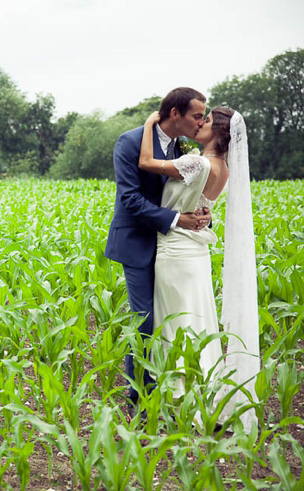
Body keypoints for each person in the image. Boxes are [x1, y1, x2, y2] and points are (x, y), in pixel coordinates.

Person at [139, 107, 259, 432]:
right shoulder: (223, 168)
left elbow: (146, 164)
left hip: (176, 252)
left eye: (205, 121)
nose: (199, 123)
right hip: (196, 254)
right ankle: (205, 399)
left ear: (219, 133)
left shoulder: (197, 163)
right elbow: (199, 204)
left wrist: (151, 122)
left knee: (174, 326)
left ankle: (182, 406)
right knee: (199, 324)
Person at [104, 87, 212, 419]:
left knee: (170, 320)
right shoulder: (130, 141)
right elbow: (130, 200)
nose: (201, 121)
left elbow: (189, 193)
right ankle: (139, 403)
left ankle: (170, 392)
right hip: (138, 242)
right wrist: (180, 220)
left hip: (173, 249)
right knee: (145, 321)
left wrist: (204, 215)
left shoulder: (187, 148)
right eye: (196, 115)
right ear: (175, 114)